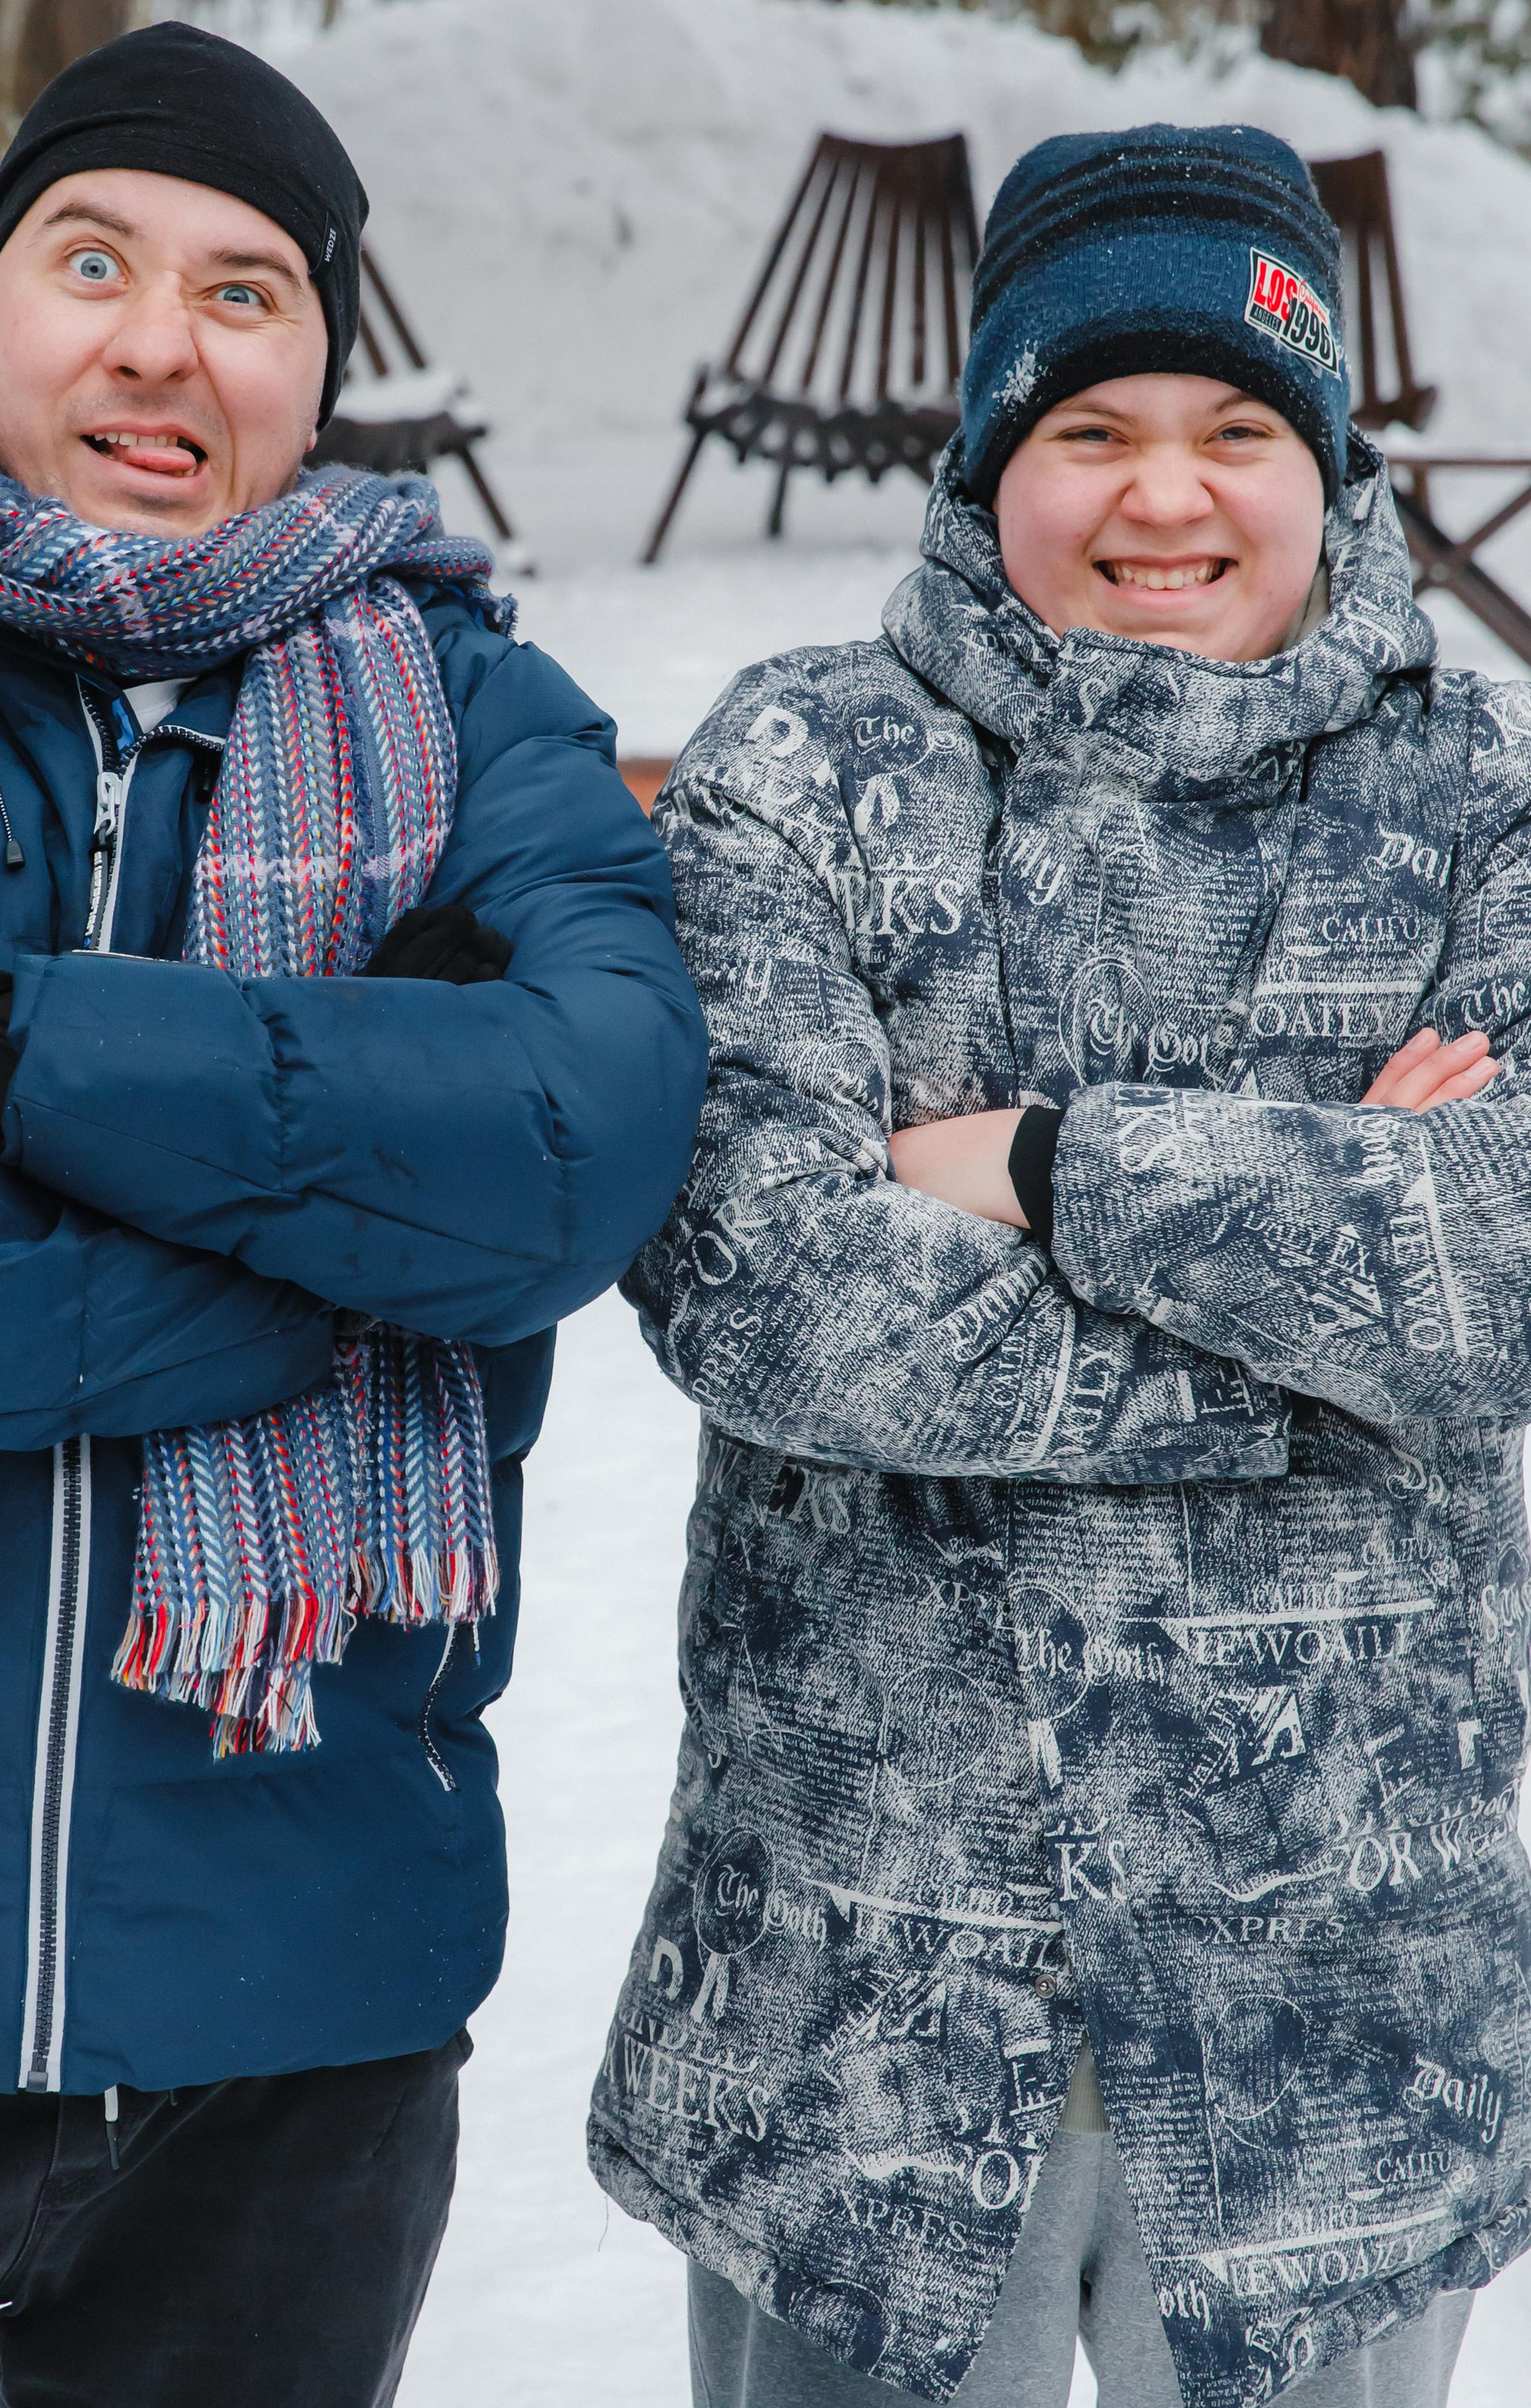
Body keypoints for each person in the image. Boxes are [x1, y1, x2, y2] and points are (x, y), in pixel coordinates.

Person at [0, 23, 705, 2407]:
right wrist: (303, 1245)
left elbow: (574, 1143)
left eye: (250, 287)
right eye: (93, 260)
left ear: (318, 367)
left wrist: (0, 1051)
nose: (163, 343)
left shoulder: (490, 733)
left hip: (297, 2012)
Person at [590, 125, 1531, 2408]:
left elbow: (1501, 1280)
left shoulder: (1473, 795)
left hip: (1337, 2012)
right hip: (870, 2021)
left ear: (1329, 459)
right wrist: (1325, 1303)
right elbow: (776, 1292)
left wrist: (1039, 1162)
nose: (1164, 496)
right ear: (986, 454)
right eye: (1089, 429)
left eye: (1234, 430)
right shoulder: (799, 773)